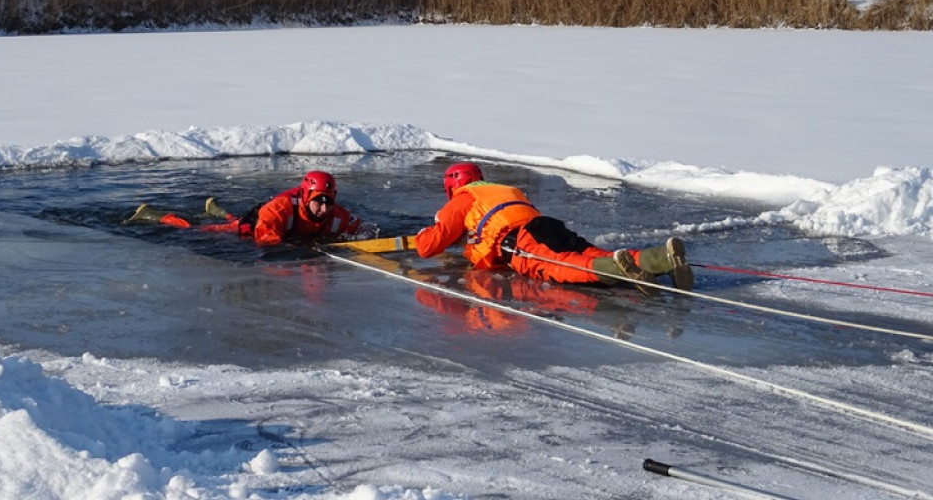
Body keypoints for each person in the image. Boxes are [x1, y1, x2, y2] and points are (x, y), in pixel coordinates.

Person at [414, 162, 693, 294]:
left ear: (453, 185)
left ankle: (622, 273)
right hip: (545, 225)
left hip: (520, 242)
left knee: (566, 266)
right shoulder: (502, 189)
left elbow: (429, 246)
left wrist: (424, 235)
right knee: (594, 252)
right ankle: (660, 258)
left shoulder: (464, 199)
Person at [123, 170, 378, 246]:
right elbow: (267, 242)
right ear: (307, 196)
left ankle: (215, 207)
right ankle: (157, 215)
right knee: (201, 230)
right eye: (319, 200)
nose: (324, 207)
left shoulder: (337, 215)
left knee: (228, 220)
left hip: (282, 227)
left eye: (328, 201)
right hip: (255, 224)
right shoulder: (279, 210)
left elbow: (362, 229)